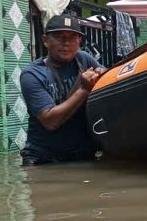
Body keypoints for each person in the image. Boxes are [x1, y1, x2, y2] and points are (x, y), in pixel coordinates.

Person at [20, 14, 106, 166]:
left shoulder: (84, 59)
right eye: (60, 37)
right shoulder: (32, 74)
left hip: (82, 155)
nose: (66, 43)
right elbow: (50, 121)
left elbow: (108, 78)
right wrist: (84, 90)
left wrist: (101, 74)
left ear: (79, 41)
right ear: (45, 40)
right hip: (43, 158)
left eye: (73, 37)